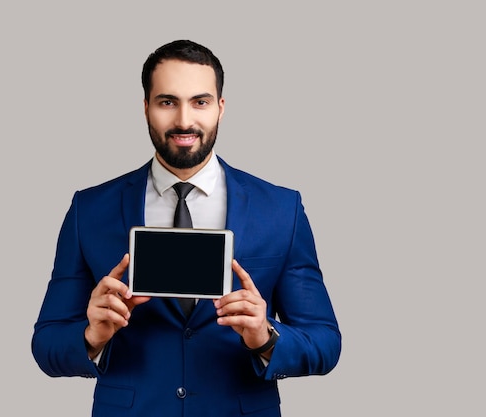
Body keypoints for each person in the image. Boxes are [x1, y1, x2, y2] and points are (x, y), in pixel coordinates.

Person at [32, 39, 341, 417]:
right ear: (145, 107)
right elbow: (47, 343)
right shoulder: (90, 209)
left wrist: (266, 337)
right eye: (167, 102)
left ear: (220, 108)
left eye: (200, 101)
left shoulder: (281, 208)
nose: (183, 120)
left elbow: (325, 342)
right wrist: (91, 336)